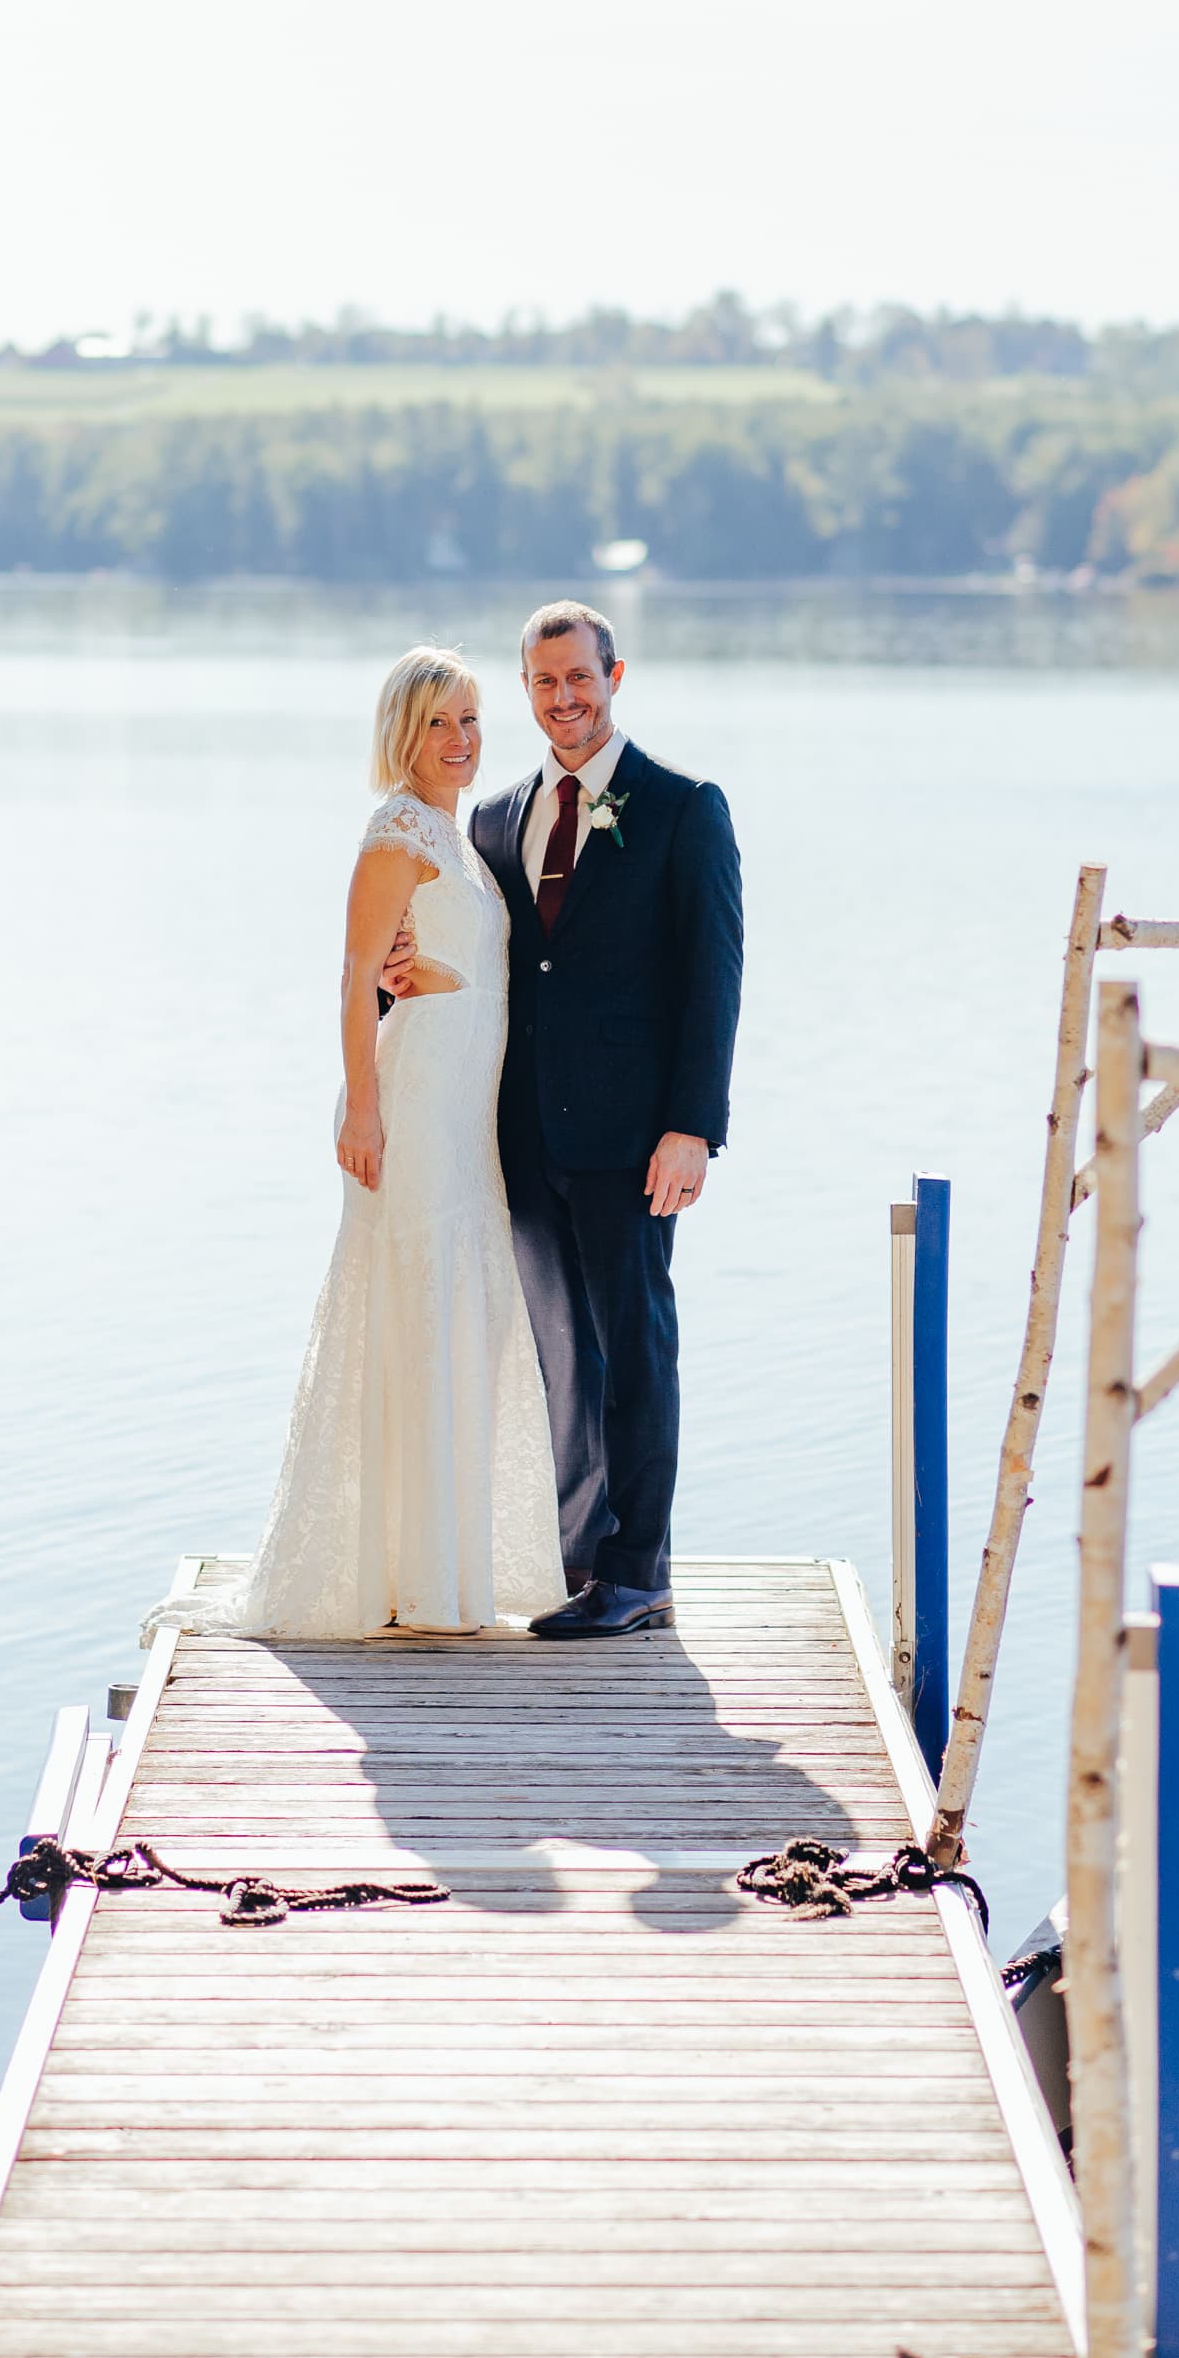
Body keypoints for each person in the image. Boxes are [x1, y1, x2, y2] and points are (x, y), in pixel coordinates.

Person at [226, 647, 566, 1637]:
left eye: (469, 722)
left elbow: (455, 961)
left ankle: (440, 1564)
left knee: (458, 1318)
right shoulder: (396, 834)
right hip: (411, 1101)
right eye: (438, 724)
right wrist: (364, 1111)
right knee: (415, 1310)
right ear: (401, 734)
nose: (459, 742)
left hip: (465, 1112)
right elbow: (353, 980)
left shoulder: (454, 840)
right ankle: (402, 1575)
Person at [465, 600, 744, 1639]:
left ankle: (637, 1572)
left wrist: (692, 1127)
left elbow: (712, 979)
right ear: (526, 692)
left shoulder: (681, 807)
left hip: (632, 1140)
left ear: (614, 678)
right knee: (555, 1353)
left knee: (633, 1348)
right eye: (542, 684)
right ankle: (575, 1555)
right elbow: (481, 964)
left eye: (578, 678)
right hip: (519, 1135)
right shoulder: (496, 819)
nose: (562, 699)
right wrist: (393, 988)